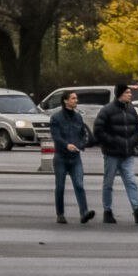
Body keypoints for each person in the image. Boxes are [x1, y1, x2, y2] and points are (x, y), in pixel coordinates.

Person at [93, 84, 138, 224]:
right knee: (108, 183)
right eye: (127, 92)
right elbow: (98, 130)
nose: (130, 94)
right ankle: (107, 211)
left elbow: (137, 128)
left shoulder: (131, 110)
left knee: (131, 181)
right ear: (120, 94)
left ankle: (137, 211)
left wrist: (133, 141)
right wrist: (113, 141)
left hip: (127, 154)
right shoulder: (107, 110)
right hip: (112, 153)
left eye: (130, 92)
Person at [48, 90, 95, 224]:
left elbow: (82, 134)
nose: (76, 100)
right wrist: (66, 145)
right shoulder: (56, 118)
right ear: (65, 100)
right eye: (73, 98)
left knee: (79, 184)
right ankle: (60, 214)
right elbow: (56, 136)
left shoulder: (78, 117)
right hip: (61, 157)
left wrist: (80, 145)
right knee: (60, 186)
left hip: (75, 158)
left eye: (76, 98)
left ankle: (84, 213)